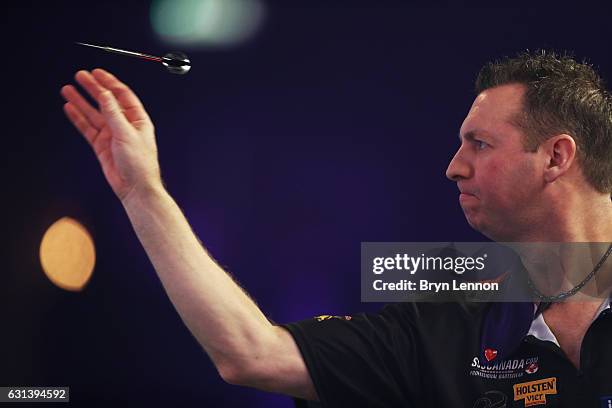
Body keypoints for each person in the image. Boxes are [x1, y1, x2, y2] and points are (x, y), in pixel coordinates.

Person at [61, 50, 612, 407]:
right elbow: (252, 355)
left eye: (480, 144)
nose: (454, 166)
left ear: (556, 157)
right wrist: (143, 192)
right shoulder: (447, 310)